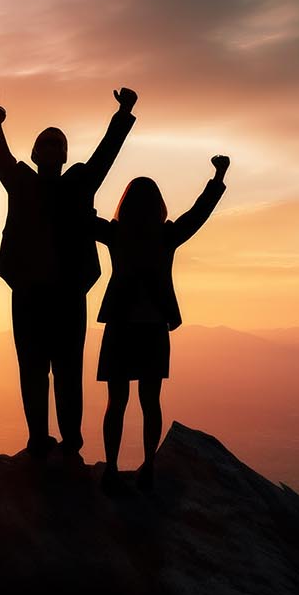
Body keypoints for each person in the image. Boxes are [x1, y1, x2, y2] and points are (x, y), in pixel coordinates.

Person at [0, 86, 136, 462]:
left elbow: (106, 154)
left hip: (67, 296)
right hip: (30, 294)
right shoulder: (20, 181)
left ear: (63, 155)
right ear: (35, 154)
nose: (50, 149)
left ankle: (69, 445)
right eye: (45, 144)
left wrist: (124, 112)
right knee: (32, 372)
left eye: (56, 144)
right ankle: (37, 441)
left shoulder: (80, 182)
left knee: (67, 374)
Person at [91, 155, 229, 490]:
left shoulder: (116, 233)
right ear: (159, 206)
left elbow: (82, 218)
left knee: (117, 401)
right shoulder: (165, 236)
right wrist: (218, 177)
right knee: (149, 401)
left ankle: (112, 467)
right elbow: (198, 214)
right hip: (151, 327)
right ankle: (148, 466)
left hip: (121, 328)